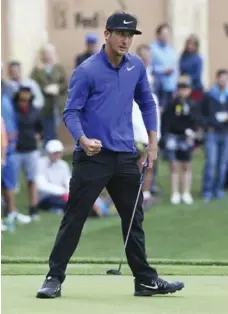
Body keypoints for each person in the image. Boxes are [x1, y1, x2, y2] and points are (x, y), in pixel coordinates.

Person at [36, 12, 184, 299]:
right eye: (120, 34)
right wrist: (82, 138)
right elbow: (71, 112)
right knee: (75, 218)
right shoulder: (87, 71)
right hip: (93, 157)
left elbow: (147, 104)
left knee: (133, 220)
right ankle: (54, 277)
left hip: (126, 156)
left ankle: (144, 280)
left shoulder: (136, 66)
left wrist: (152, 145)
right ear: (107, 34)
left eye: (130, 35)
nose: (126, 40)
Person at [163, 76, 199, 205]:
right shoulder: (173, 103)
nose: (183, 91)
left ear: (189, 90)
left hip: (187, 137)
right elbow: (168, 120)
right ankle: (175, 193)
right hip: (173, 136)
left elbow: (195, 120)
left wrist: (193, 132)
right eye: (181, 88)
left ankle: (186, 192)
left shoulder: (192, 103)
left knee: (186, 165)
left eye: (186, 88)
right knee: (173, 165)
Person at [132, 44, 161, 207]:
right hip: (138, 125)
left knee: (149, 165)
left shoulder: (153, 76)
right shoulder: (133, 74)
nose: (146, 59)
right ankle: (137, 195)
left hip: (152, 122)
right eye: (143, 56)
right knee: (141, 164)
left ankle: (147, 193)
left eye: (148, 56)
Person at [1, 86, 31, 231]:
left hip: (9, 147)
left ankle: (11, 212)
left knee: (10, 182)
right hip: (3, 146)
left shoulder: (6, 98)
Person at [14, 86, 43, 219]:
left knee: (32, 180)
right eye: (23, 92)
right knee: (12, 182)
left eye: (27, 93)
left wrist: (38, 136)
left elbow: (40, 128)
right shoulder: (13, 109)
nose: (25, 95)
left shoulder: (35, 111)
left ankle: (33, 208)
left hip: (31, 149)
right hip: (16, 150)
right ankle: (10, 209)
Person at [31, 44, 68, 144]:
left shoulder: (59, 67)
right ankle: (47, 151)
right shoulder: (37, 69)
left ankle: (55, 151)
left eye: (50, 53)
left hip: (57, 105)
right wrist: (45, 89)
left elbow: (65, 83)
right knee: (46, 130)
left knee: (55, 129)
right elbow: (32, 85)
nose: (48, 55)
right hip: (43, 106)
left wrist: (57, 88)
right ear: (42, 54)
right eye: (46, 53)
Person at [201, 69, 228, 200]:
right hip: (212, 133)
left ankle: (218, 189)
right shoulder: (209, 95)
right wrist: (210, 123)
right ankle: (207, 190)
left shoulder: (227, 95)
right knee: (211, 162)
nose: (223, 80)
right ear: (217, 79)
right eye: (221, 78)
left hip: (225, 133)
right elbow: (202, 113)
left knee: (222, 163)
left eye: (225, 78)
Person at [36, 140, 71, 214]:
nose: (57, 155)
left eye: (58, 153)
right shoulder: (40, 163)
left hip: (63, 195)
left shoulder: (63, 165)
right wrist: (63, 192)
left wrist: (69, 193)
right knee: (58, 202)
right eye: (54, 153)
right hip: (46, 197)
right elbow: (42, 185)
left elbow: (68, 180)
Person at [150, 23, 178, 110]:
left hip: (171, 87)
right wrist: (163, 71)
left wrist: (176, 86)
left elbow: (175, 68)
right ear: (158, 35)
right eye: (163, 34)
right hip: (159, 87)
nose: (166, 37)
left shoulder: (171, 49)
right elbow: (149, 67)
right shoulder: (152, 49)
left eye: (167, 34)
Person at [179, 35, 204, 101]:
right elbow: (181, 70)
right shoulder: (183, 56)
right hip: (184, 87)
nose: (190, 46)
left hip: (195, 88)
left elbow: (197, 75)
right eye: (188, 44)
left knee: (195, 106)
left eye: (192, 44)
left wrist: (188, 78)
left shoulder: (198, 58)